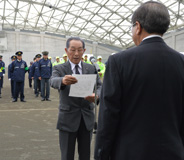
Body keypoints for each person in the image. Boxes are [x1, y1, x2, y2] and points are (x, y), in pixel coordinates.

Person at [94, 2, 184, 160]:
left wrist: (101, 154)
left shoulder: (119, 61)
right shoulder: (181, 61)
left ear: (138, 26)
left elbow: (108, 115)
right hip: (174, 151)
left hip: (130, 153)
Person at [50, 37, 102, 160]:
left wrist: (97, 95)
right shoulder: (60, 68)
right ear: (66, 50)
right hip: (67, 118)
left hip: (86, 118)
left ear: (84, 51)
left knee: (85, 155)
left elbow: (99, 85)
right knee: (67, 155)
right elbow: (52, 81)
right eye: (72, 50)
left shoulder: (91, 68)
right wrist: (62, 81)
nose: (76, 54)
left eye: (79, 50)